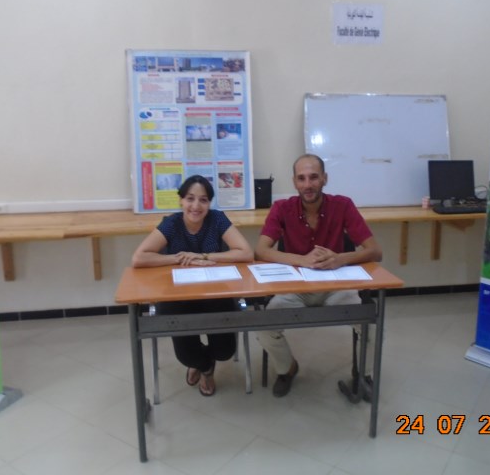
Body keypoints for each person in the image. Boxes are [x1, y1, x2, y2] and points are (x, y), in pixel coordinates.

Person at [255, 154, 383, 397]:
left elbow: (375, 251)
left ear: (325, 178)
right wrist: (301, 260)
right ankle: (287, 368)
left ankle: (362, 375)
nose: (308, 184)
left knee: (370, 323)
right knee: (263, 325)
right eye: (301, 178)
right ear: (294, 182)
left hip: (337, 288)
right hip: (295, 289)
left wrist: (339, 258)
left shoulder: (342, 205)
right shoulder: (282, 208)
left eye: (313, 177)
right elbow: (261, 250)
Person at [132, 175, 254, 396]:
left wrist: (204, 256)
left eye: (203, 200)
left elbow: (246, 252)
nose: (196, 206)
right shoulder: (172, 223)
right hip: (178, 296)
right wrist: (180, 258)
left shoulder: (217, 219)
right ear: (181, 200)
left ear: (209, 203)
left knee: (225, 351)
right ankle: (205, 368)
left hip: (215, 292)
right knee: (187, 356)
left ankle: (207, 362)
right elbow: (139, 258)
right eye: (190, 198)